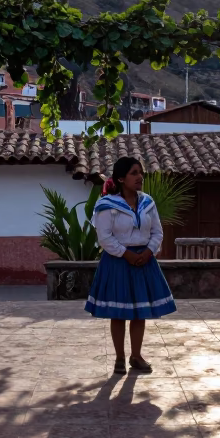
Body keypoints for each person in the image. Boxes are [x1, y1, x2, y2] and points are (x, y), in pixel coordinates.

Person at [85, 155, 177, 374]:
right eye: (134, 173)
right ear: (120, 179)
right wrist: (126, 254)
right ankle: (119, 358)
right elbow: (105, 237)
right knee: (118, 312)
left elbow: (157, 231)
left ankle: (136, 356)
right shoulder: (106, 205)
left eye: (140, 173)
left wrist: (148, 251)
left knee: (139, 312)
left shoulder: (147, 202)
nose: (140, 177)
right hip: (118, 262)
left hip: (144, 261)